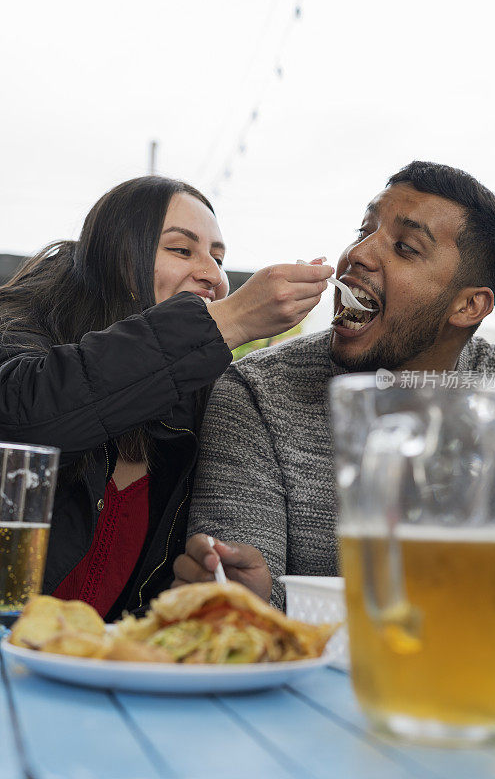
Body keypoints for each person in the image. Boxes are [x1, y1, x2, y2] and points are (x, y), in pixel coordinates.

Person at [174, 161, 495, 608]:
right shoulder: (257, 393)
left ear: (468, 306)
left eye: (404, 247)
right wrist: (257, 596)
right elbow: (241, 606)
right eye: (364, 230)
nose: (358, 254)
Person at [0, 175, 333, 620]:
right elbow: (28, 416)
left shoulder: (200, 407)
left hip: (99, 675)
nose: (213, 276)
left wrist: (215, 588)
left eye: (218, 258)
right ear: (117, 260)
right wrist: (224, 323)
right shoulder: (19, 335)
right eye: (181, 249)